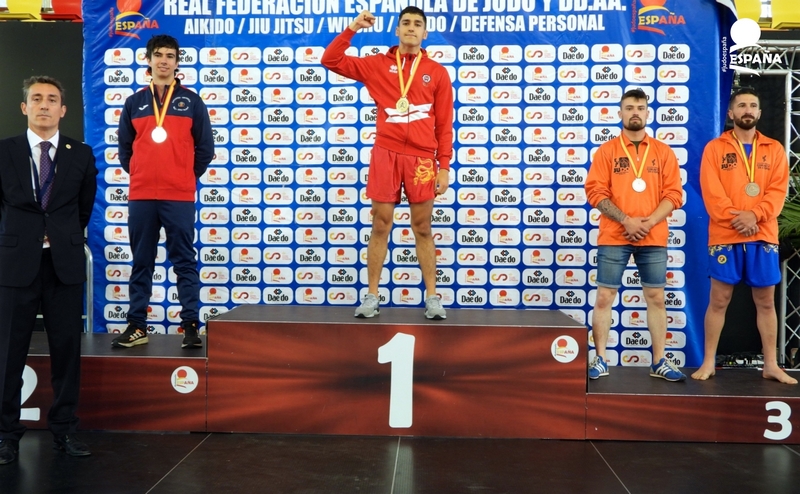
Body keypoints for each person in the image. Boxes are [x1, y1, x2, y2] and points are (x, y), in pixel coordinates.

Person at [322, 7, 453, 319]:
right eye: (405, 23)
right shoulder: (377, 65)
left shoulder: (436, 72)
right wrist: (353, 27)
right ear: (396, 31)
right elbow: (330, 60)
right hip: (386, 154)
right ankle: (371, 295)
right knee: (380, 224)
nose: (411, 28)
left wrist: (444, 165)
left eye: (417, 24)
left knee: (422, 226)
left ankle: (432, 297)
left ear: (425, 34)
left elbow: (444, 125)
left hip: (422, 158)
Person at [0, 76, 98, 464]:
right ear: (24, 107)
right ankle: (6, 436)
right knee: (8, 353)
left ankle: (65, 431)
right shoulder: (4, 151)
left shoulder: (81, 154)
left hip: (63, 265)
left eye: (52, 99)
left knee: (66, 351)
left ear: (63, 110)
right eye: (36, 99)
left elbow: (83, 208)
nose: (44, 105)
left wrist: (58, 236)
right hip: (15, 265)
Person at [112, 34, 213, 348]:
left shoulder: (192, 101)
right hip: (142, 195)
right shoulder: (134, 102)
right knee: (142, 261)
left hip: (178, 195)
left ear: (177, 62)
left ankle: (191, 327)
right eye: (159, 55)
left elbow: (205, 149)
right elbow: (125, 150)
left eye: (170, 56)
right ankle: (137, 326)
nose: (164, 61)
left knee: (183, 260)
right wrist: (144, 174)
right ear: (149, 59)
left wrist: (181, 175)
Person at [693, 87, 797, 384]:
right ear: (731, 112)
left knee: (765, 301)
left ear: (760, 113)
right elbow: (711, 192)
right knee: (719, 300)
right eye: (741, 105)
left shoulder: (775, 149)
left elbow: (777, 192)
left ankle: (771, 365)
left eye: (752, 105)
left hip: (762, 233)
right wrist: (738, 218)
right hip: (726, 233)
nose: (747, 110)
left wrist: (756, 215)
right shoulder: (715, 148)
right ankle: (709, 361)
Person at [584, 88, 686, 382]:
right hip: (615, 235)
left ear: (647, 113)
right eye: (629, 108)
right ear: (620, 113)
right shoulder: (607, 151)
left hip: (653, 236)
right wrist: (626, 220)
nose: (635, 113)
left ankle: (658, 361)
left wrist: (649, 221)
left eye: (640, 108)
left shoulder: (663, 152)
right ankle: (600, 358)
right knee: (605, 296)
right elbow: (595, 192)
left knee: (655, 297)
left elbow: (674, 194)